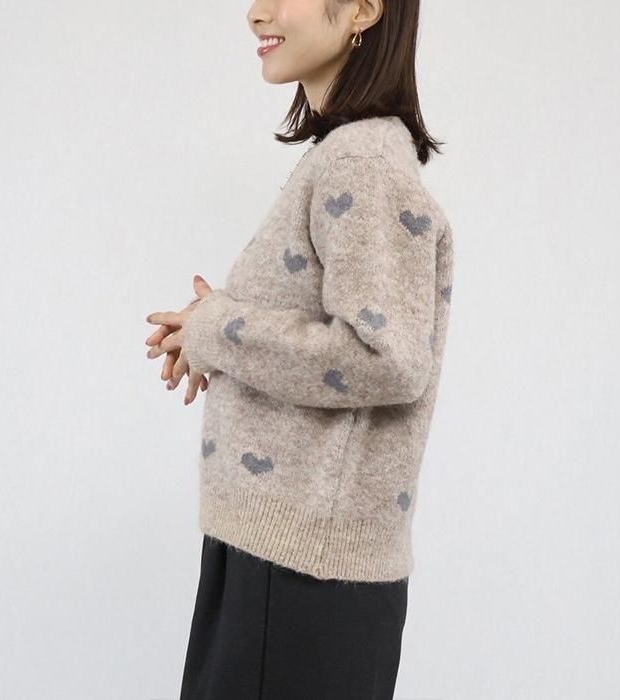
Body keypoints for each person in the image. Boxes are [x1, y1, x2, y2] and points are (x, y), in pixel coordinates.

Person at [145, 1, 454, 698]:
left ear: (364, 10)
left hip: (299, 579)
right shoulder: (347, 155)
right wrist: (212, 330)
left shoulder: (362, 163)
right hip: (286, 563)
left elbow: (386, 356)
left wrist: (219, 329)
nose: (257, 13)